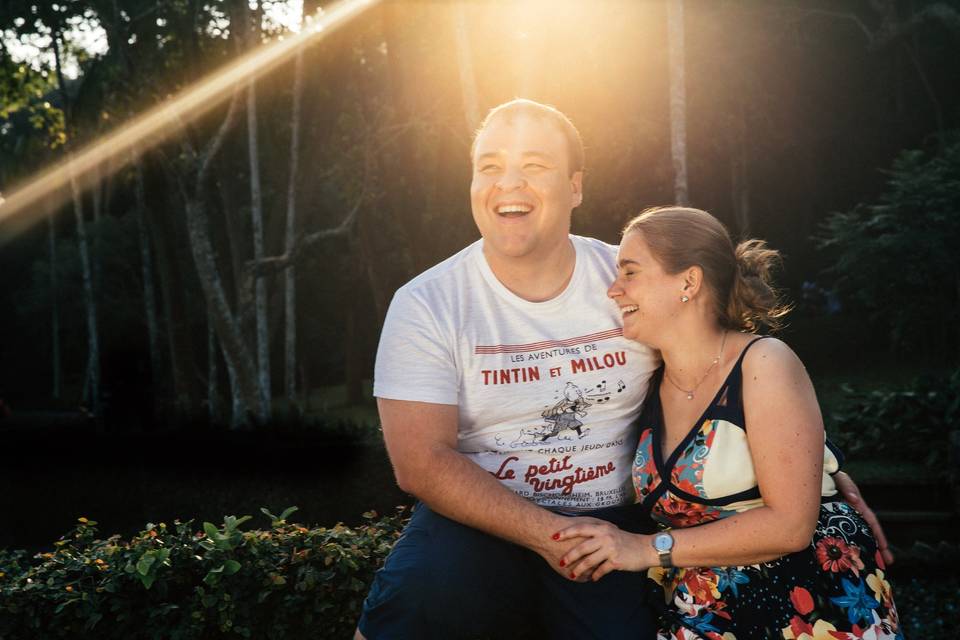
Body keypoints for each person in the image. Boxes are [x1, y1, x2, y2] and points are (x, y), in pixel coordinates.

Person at [356, 99, 890, 640]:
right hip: (474, 522)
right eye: (489, 166)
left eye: (534, 166)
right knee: (413, 606)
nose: (507, 183)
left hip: (613, 522)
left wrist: (821, 469)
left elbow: (727, 365)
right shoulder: (427, 302)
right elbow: (420, 462)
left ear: (575, 187)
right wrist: (551, 533)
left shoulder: (627, 284)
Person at [553, 207, 901, 639]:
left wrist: (645, 549)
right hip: (703, 615)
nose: (613, 290)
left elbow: (791, 525)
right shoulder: (647, 381)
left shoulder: (763, 363)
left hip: (807, 608)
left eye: (630, 272)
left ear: (688, 282)